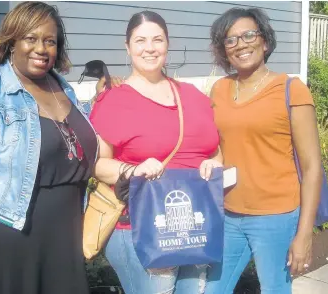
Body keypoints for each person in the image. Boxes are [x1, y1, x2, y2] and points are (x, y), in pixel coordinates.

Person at [0, 2, 104, 293]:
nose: (41, 48)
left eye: (50, 41)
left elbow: (77, 152)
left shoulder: (63, 89)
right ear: (12, 42)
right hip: (8, 241)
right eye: (31, 38)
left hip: (63, 241)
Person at [89, 11, 223, 294]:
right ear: (127, 47)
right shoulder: (113, 100)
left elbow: (215, 150)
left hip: (196, 225)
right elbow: (97, 163)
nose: (149, 47)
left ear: (167, 44)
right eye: (140, 40)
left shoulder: (193, 95)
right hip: (141, 227)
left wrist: (214, 164)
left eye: (157, 39)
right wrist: (132, 170)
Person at [205, 8, 322, 294]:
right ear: (224, 49)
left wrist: (304, 234)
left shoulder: (291, 89)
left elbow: (312, 167)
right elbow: (220, 146)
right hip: (230, 213)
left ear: (265, 41)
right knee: (212, 289)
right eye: (230, 40)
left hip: (276, 217)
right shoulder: (220, 89)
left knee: (274, 290)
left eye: (248, 35)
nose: (241, 44)